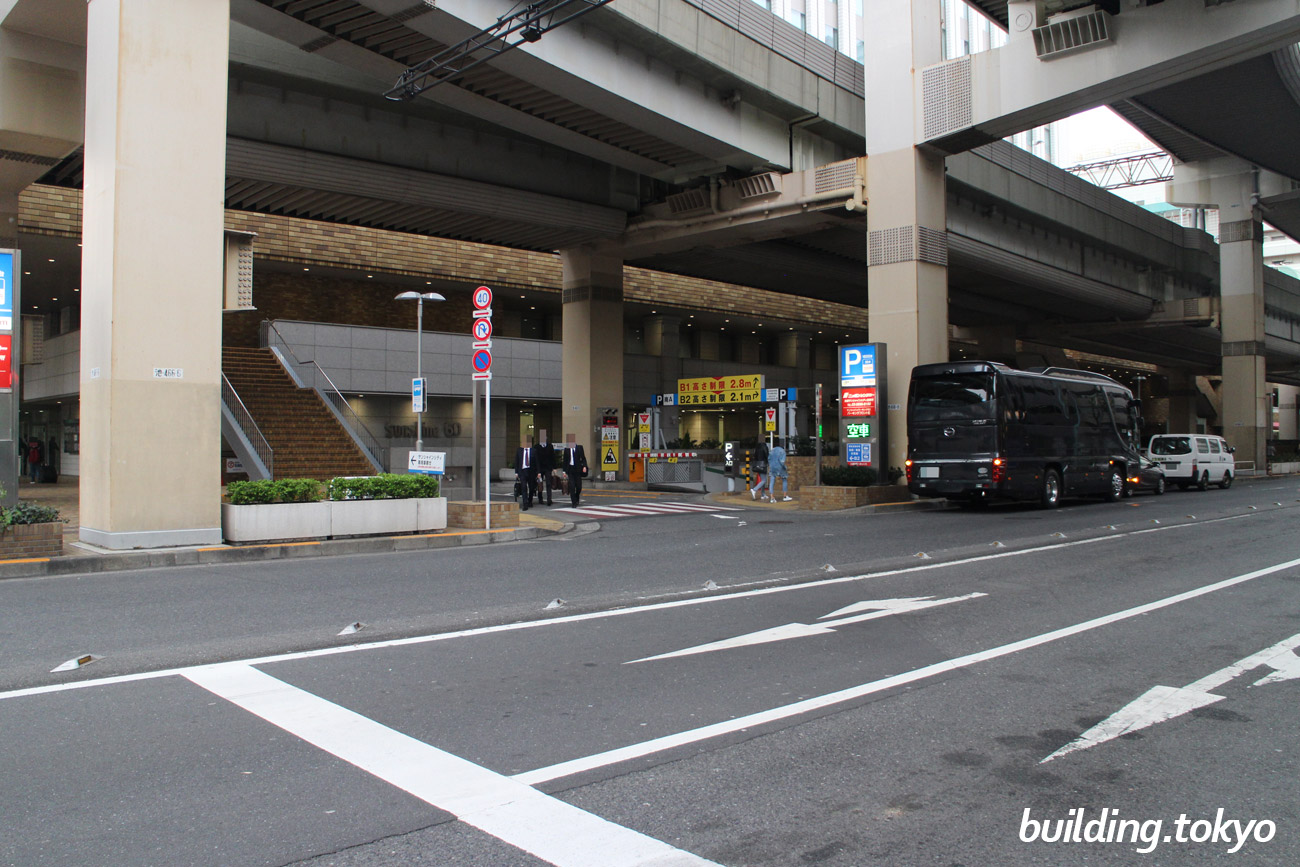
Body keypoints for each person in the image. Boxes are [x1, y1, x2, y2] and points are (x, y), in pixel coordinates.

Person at [561, 433, 588, 507]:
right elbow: (565, 461)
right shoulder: (566, 450)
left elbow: (583, 458)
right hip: (570, 470)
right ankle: (574, 502)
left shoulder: (579, 448)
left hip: (578, 470)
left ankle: (577, 497)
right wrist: (564, 471)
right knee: (572, 486)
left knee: (579, 487)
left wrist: (584, 466)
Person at [514, 436, 538, 511]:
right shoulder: (519, 450)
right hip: (522, 471)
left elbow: (537, 462)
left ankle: (530, 500)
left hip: (531, 471)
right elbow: (517, 461)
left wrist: (538, 472)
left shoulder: (533, 451)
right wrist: (516, 472)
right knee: (524, 487)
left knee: (531, 487)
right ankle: (525, 504)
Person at [536, 429, 555, 506]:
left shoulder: (550, 446)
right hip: (539, 468)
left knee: (548, 483)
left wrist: (554, 468)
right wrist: (537, 471)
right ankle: (540, 498)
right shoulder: (536, 447)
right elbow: (535, 459)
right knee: (540, 483)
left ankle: (549, 499)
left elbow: (553, 457)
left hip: (548, 468)